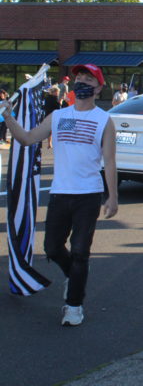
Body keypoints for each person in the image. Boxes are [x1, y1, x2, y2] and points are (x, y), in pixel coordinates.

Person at [0, 64, 118, 327]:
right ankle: (73, 278)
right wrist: (9, 118)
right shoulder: (58, 116)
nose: (82, 82)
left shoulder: (103, 120)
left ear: (99, 88)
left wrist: (113, 197)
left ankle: (74, 305)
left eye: (89, 79)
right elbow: (28, 138)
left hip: (88, 194)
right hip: (60, 192)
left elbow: (109, 161)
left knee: (80, 251)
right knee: (52, 247)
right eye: (79, 78)